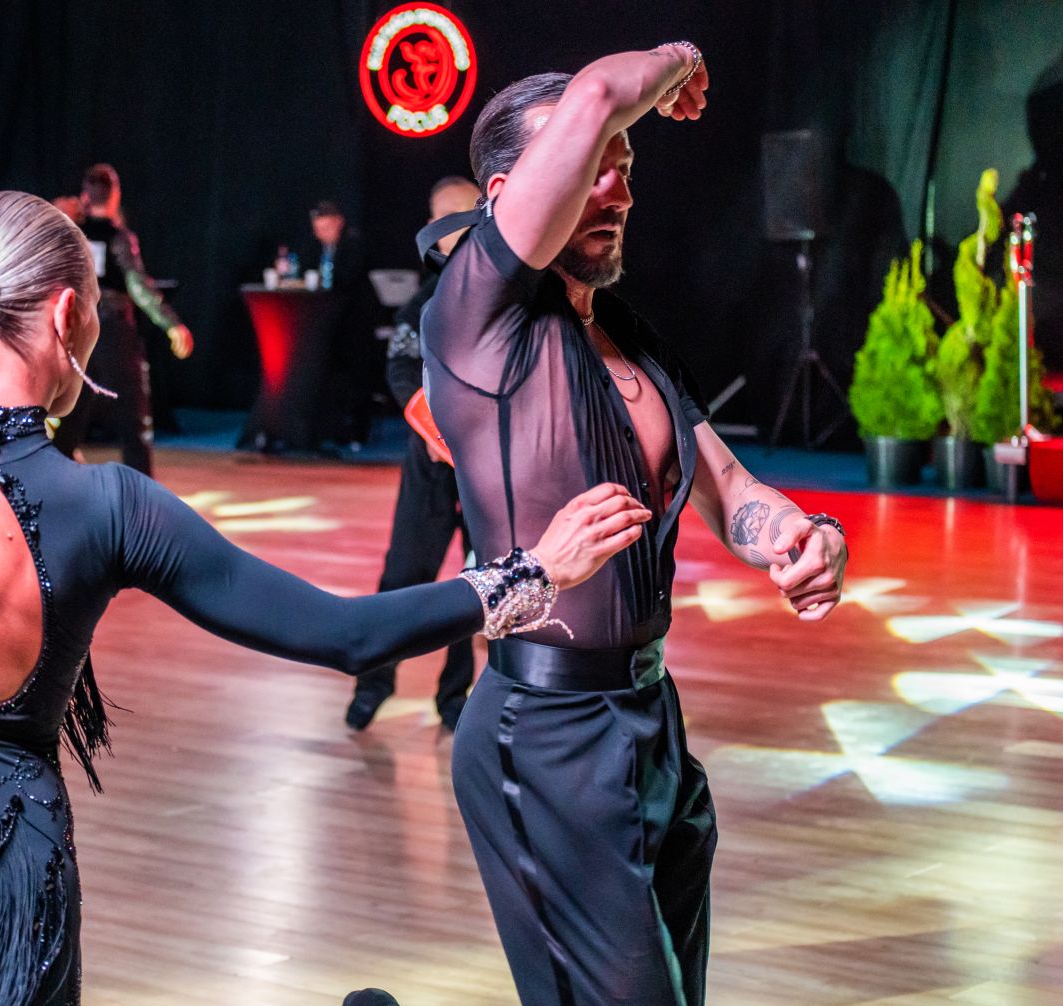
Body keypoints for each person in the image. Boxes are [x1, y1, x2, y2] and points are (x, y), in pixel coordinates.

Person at [0, 190, 653, 1004]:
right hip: (8, 894)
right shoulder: (112, 507)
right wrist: (530, 573)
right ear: (69, 315)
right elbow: (344, 634)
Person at [420, 46, 849, 1005]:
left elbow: (729, 487)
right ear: (506, 197)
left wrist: (805, 536)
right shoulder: (475, 316)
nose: (615, 189)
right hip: (544, 738)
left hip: (651, 722)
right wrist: (682, 61)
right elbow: (599, 91)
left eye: (626, 166)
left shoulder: (628, 336)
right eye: (590, 166)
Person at [346, 176, 482, 733]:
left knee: (481, 583)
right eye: (450, 219)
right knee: (404, 576)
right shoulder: (423, 305)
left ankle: (455, 697)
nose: (463, 229)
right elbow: (402, 370)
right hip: (433, 462)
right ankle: (373, 684)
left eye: (473, 214)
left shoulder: (515, 296)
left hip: (492, 471)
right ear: (432, 230)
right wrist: (434, 430)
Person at [51, 164, 192, 476]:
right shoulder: (119, 237)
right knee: (133, 414)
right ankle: (141, 487)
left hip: (76, 329)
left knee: (69, 409)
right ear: (115, 196)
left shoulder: (70, 233)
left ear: (85, 196)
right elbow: (138, 286)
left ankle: (50, 480)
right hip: (112, 330)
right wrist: (171, 323)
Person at [305, 200, 377, 446]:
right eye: (317, 230)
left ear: (339, 222)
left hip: (356, 321)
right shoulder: (317, 248)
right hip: (329, 322)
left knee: (357, 376)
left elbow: (347, 280)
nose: (321, 235)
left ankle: (358, 430)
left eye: (326, 229)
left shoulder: (353, 244)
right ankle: (330, 427)